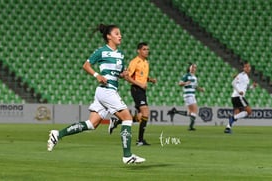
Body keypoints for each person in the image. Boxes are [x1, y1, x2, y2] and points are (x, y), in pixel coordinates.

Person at [47, 24, 145, 164]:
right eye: (117, 33)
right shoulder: (101, 51)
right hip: (106, 90)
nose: (120, 36)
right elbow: (86, 65)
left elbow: (120, 73)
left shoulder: (121, 54)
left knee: (91, 124)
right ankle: (127, 155)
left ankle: (58, 134)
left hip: (106, 91)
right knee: (127, 118)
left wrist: (124, 74)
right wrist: (97, 75)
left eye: (120, 34)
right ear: (108, 36)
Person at [108, 42, 156, 146]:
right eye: (144, 49)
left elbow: (141, 76)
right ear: (138, 51)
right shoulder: (135, 62)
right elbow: (127, 77)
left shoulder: (146, 62)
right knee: (146, 112)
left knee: (140, 117)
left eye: (147, 49)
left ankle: (117, 121)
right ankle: (140, 140)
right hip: (136, 89)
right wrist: (140, 84)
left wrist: (150, 80)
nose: (147, 51)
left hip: (142, 90)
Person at [167, 63, 204, 131]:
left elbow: (194, 86)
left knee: (190, 113)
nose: (193, 68)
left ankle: (175, 111)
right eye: (192, 67)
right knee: (194, 112)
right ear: (189, 68)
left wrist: (200, 89)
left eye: (195, 67)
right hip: (188, 95)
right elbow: (180, 83)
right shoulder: (187, 75)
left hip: (192, 95)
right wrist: (185, 83)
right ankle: (190, 127)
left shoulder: (195, 77)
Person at [224, 61, 257, 133]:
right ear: (243, 68)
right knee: (249, 111)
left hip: (234, 97)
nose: (248, 68)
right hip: (238, 96)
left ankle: (228, 128)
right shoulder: (242, 75)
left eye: (249, 66)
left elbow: (245, 88)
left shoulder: (246, 77)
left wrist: (252, 87)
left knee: (237, 114)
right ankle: (232, 117)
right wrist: (239, 91)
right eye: (246, 67)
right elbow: (233, 83)